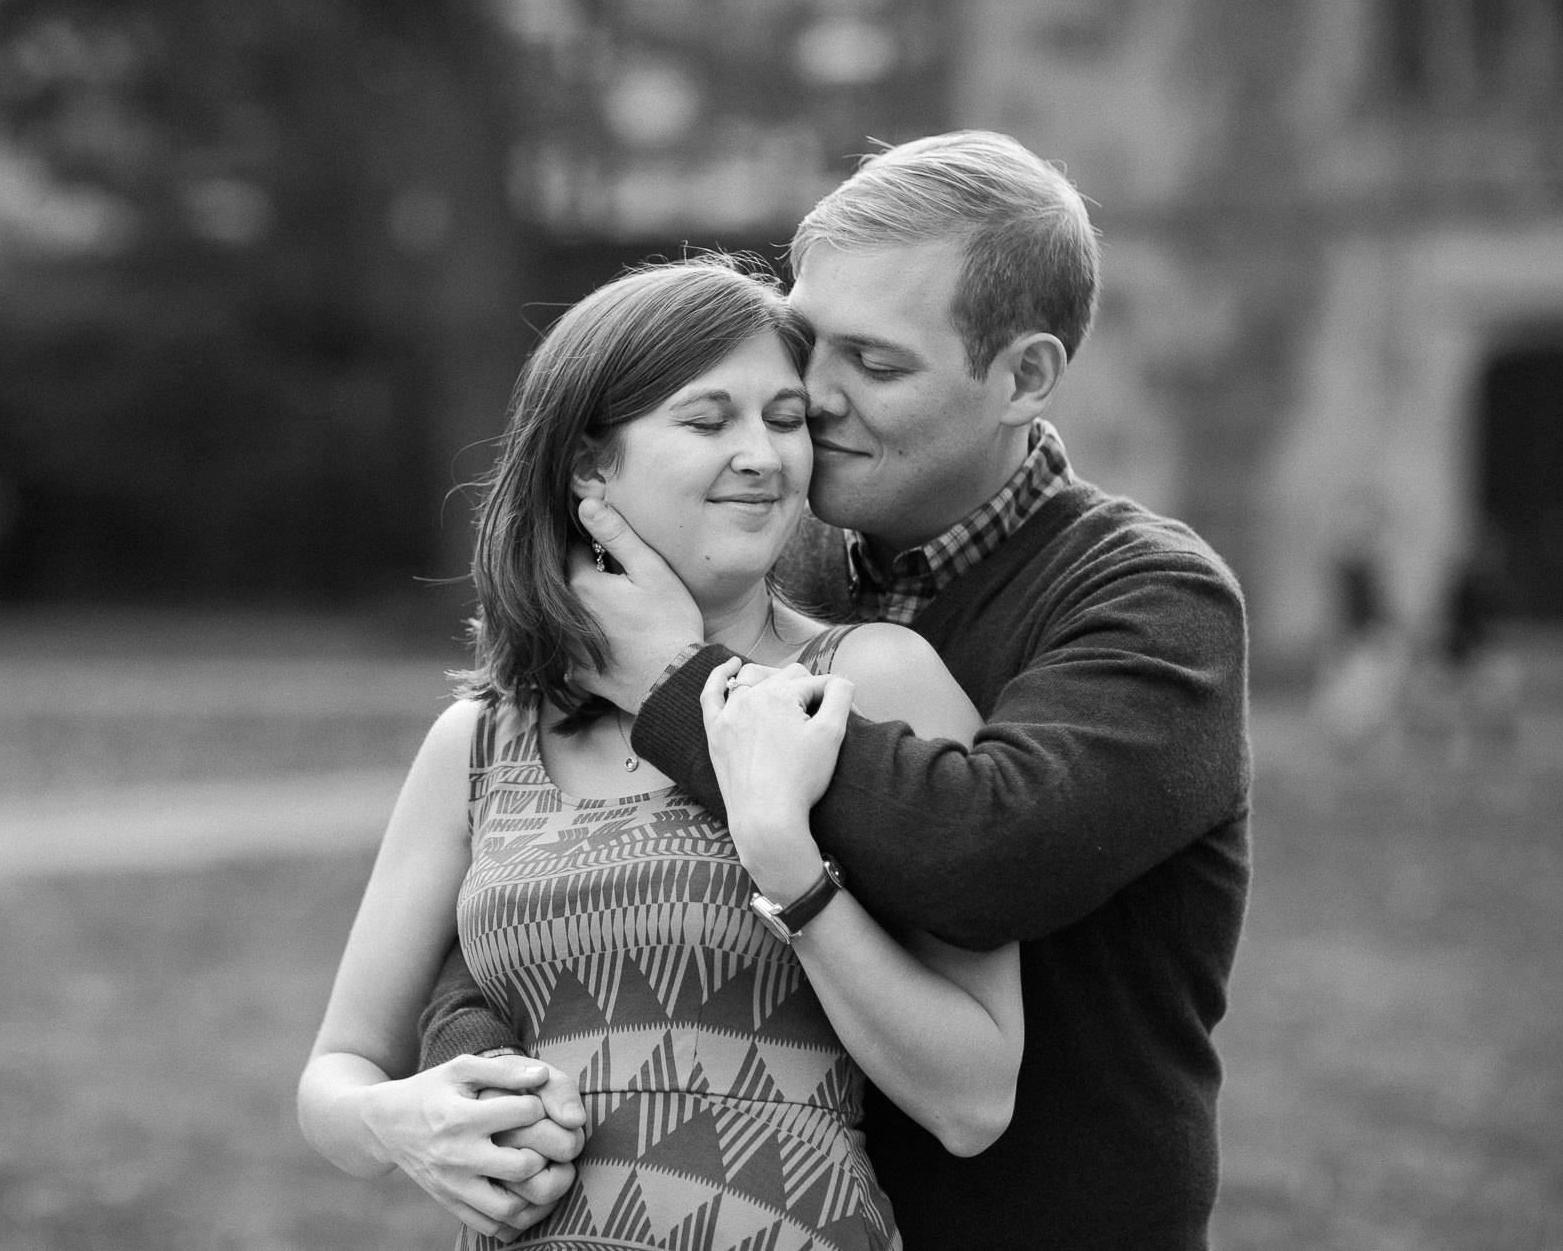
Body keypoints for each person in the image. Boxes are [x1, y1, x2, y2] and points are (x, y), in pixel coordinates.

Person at [418, 132, 1252, 1251]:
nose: (808, 396)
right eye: (807, 340)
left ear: (1023, 376)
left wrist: (678, 687)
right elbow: (541, 852)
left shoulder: (1151, 601)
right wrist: (467, 1055)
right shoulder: (769, 572)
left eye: (874, 362)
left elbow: (983, 854)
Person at [298, 257, 1025, 1249]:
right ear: (590, 466)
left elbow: (973, 1097)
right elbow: (337, 1071)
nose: (763, 455)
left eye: (782, 418)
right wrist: (403, 1119)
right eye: (707, 419)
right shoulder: (480, 739)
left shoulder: (867, 681)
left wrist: (787, 866)